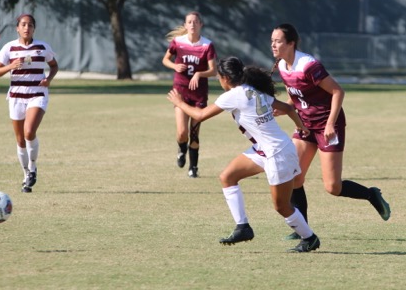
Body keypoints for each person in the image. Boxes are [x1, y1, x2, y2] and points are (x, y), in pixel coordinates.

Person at [167, 57, 321, 253]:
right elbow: (289, 108)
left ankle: (310, 238)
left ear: (224, 78)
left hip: (277, 153)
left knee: (281, 206)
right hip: (266, 149)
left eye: (218, 78)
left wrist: (179, 102)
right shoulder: (253, 90)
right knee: (228, 177)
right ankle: (243, 227)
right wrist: (302, 128)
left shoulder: (233, 95)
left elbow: (199, 116)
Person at [270, 23, 391, 240]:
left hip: (328, 125)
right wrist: (287, 107)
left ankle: (371, 195)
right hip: (305, 125)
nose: (273, 44)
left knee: (333, 187)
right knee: (294, 176)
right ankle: (302, 229)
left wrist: (329, 123)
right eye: (272, 40)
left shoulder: (308, 65)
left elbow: (337, 91)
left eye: (278, 41)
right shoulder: (281, 65)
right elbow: (295, 93)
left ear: (291, 43)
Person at [0, 14, 58, 193]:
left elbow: (54, 65)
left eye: (30, 25)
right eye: (23, 24)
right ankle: (25, 174)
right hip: (16, 97)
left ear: (34, 28)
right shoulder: (9, 48)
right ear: (17, 28)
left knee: (29, 132)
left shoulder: (42, 47)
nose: (26, 28)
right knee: (20, 140)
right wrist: (10, 66)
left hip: (37, 94)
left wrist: (49, 79)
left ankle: (33, 167)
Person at [162, 11, 217, 178]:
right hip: (181, 92)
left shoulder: (207, 45)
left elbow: (213, 71)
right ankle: (181, 148)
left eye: (196, 22)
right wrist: (174, 67)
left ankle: (193, 167)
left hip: (199, 95)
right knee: (181, 133)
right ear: (185, 25)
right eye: (189, 22)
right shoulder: (178, 42)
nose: (192, 24)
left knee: (194, 133)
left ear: (201, 25)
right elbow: (165, 60)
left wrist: (200, 74)